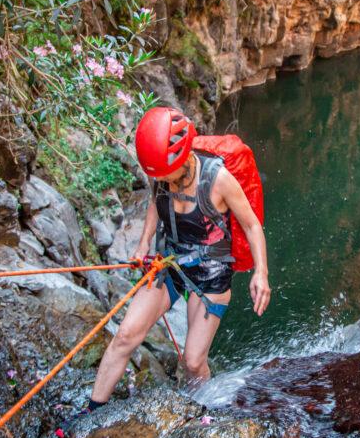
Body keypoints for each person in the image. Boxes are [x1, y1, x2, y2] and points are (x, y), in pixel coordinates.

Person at [83, 107, 270, 414]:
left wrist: (260, 273)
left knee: (194, 361)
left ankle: (202, 414)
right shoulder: (161, 173)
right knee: (126, 335)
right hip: (170, 263)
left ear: (182, 159)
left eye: (163, 176)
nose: (159, 181)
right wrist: (143, 244)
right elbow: (157, 205)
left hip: (212, 273)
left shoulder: (218, 179)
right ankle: (90, 411)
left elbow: (250, 225)